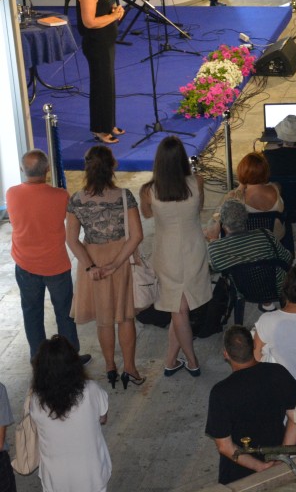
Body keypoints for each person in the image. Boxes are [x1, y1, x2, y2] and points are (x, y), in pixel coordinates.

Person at [65, 145, 144, 391]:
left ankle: (110, 367)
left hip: (93, 262)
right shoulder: (124, 196)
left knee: (104, 319)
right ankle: (130, 369)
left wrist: (90, 267)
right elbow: (137, 236)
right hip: (120, 258)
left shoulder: (76, 199)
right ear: (113, 166)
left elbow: (71, 240)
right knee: (125, 317)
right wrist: (116, 264)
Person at [139, 136, 210, 379]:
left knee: (177, 309)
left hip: (166, 253)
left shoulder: (148, 190)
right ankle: (172, 361)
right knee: (179, 309)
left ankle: (191, 361)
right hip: (193, 249)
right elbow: (199, 209)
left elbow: (147, 214)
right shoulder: (197, 181)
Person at [8, 149, 84, 361]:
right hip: (55, 265)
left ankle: (38, 359)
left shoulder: (11, 193)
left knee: (32, 313)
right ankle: (70, 359)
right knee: (65, 313)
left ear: (22, 169)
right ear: (48, 169)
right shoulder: (61, 196)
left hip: (25, 264)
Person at [206, 326, 296, 484]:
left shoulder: (221, 393)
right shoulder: (279, 373)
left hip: (238, 474)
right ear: (254, 346)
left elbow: (224, 446)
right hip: (277, 460)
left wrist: (260, 467)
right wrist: (282, 457)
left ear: (226, 354)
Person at [28, 336, 111, 492]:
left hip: (54, 478)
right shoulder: (91, 389)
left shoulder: (36, 399)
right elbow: (103, 417)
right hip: (91, 474)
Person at [74, 0, 124, 144]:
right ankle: (100, 130)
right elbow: (89, 22)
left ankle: (109, 123)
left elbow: (104, 8)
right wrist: (113, 16)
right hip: (97, 45)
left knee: (108, 84)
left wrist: (116, 10)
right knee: (101, 86)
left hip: (106, 42)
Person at [207, 152, 286, 243]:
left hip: (247, 243)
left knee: (213, 230)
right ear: (266, 171)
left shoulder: (235, 199)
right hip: (274, 241)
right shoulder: (276, 188)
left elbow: (215, 222)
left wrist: (241, 184)